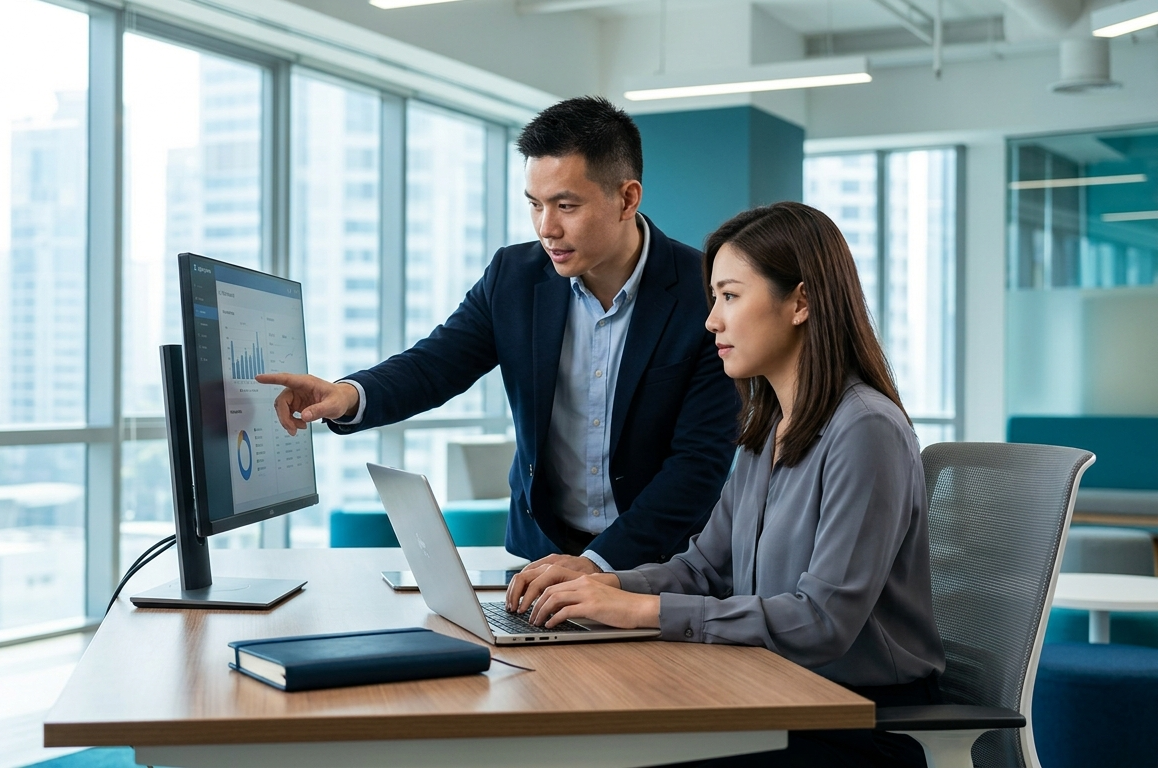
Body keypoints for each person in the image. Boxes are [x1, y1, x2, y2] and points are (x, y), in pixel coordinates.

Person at [505, 201, 946, 768]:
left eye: (731, 296)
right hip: (772, 692)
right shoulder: (769, 428)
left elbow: (822, 621)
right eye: (714, 298)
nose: (711, 319)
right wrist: (604, 584)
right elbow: (703, 570)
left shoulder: (865, 429)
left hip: (856, 720)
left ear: (802, 302)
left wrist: (642, 612)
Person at [256, 96, 740, 572]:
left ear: (627, 198)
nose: (546, 228)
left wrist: (597, 565)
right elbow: (436, 364)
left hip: (662, 564)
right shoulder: (514, 275)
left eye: (566, 205)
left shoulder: (704, 293)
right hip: (541, 556)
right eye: (535, 205)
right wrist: (346, 395)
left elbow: (698, 464)